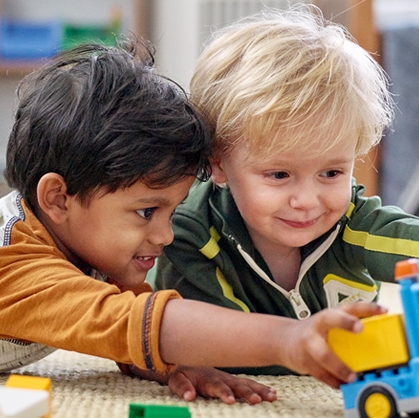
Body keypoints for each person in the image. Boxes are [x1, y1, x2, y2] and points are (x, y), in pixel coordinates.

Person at [0, 36, 383, 403]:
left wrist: (177, 363)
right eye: (146, 212)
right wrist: (288, 339)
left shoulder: (86, 243)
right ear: (57, 199)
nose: (166, 235)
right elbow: (140, 321)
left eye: (173, 209)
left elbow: (128, 332)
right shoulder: (14, 263)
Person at [152, 4, 410, 377]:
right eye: (279, 175)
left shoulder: (353, 219)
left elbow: (407, 241)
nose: (307, 201)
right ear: (220, 163)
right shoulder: (190, 234)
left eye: (332, 172)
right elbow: (212, 346)